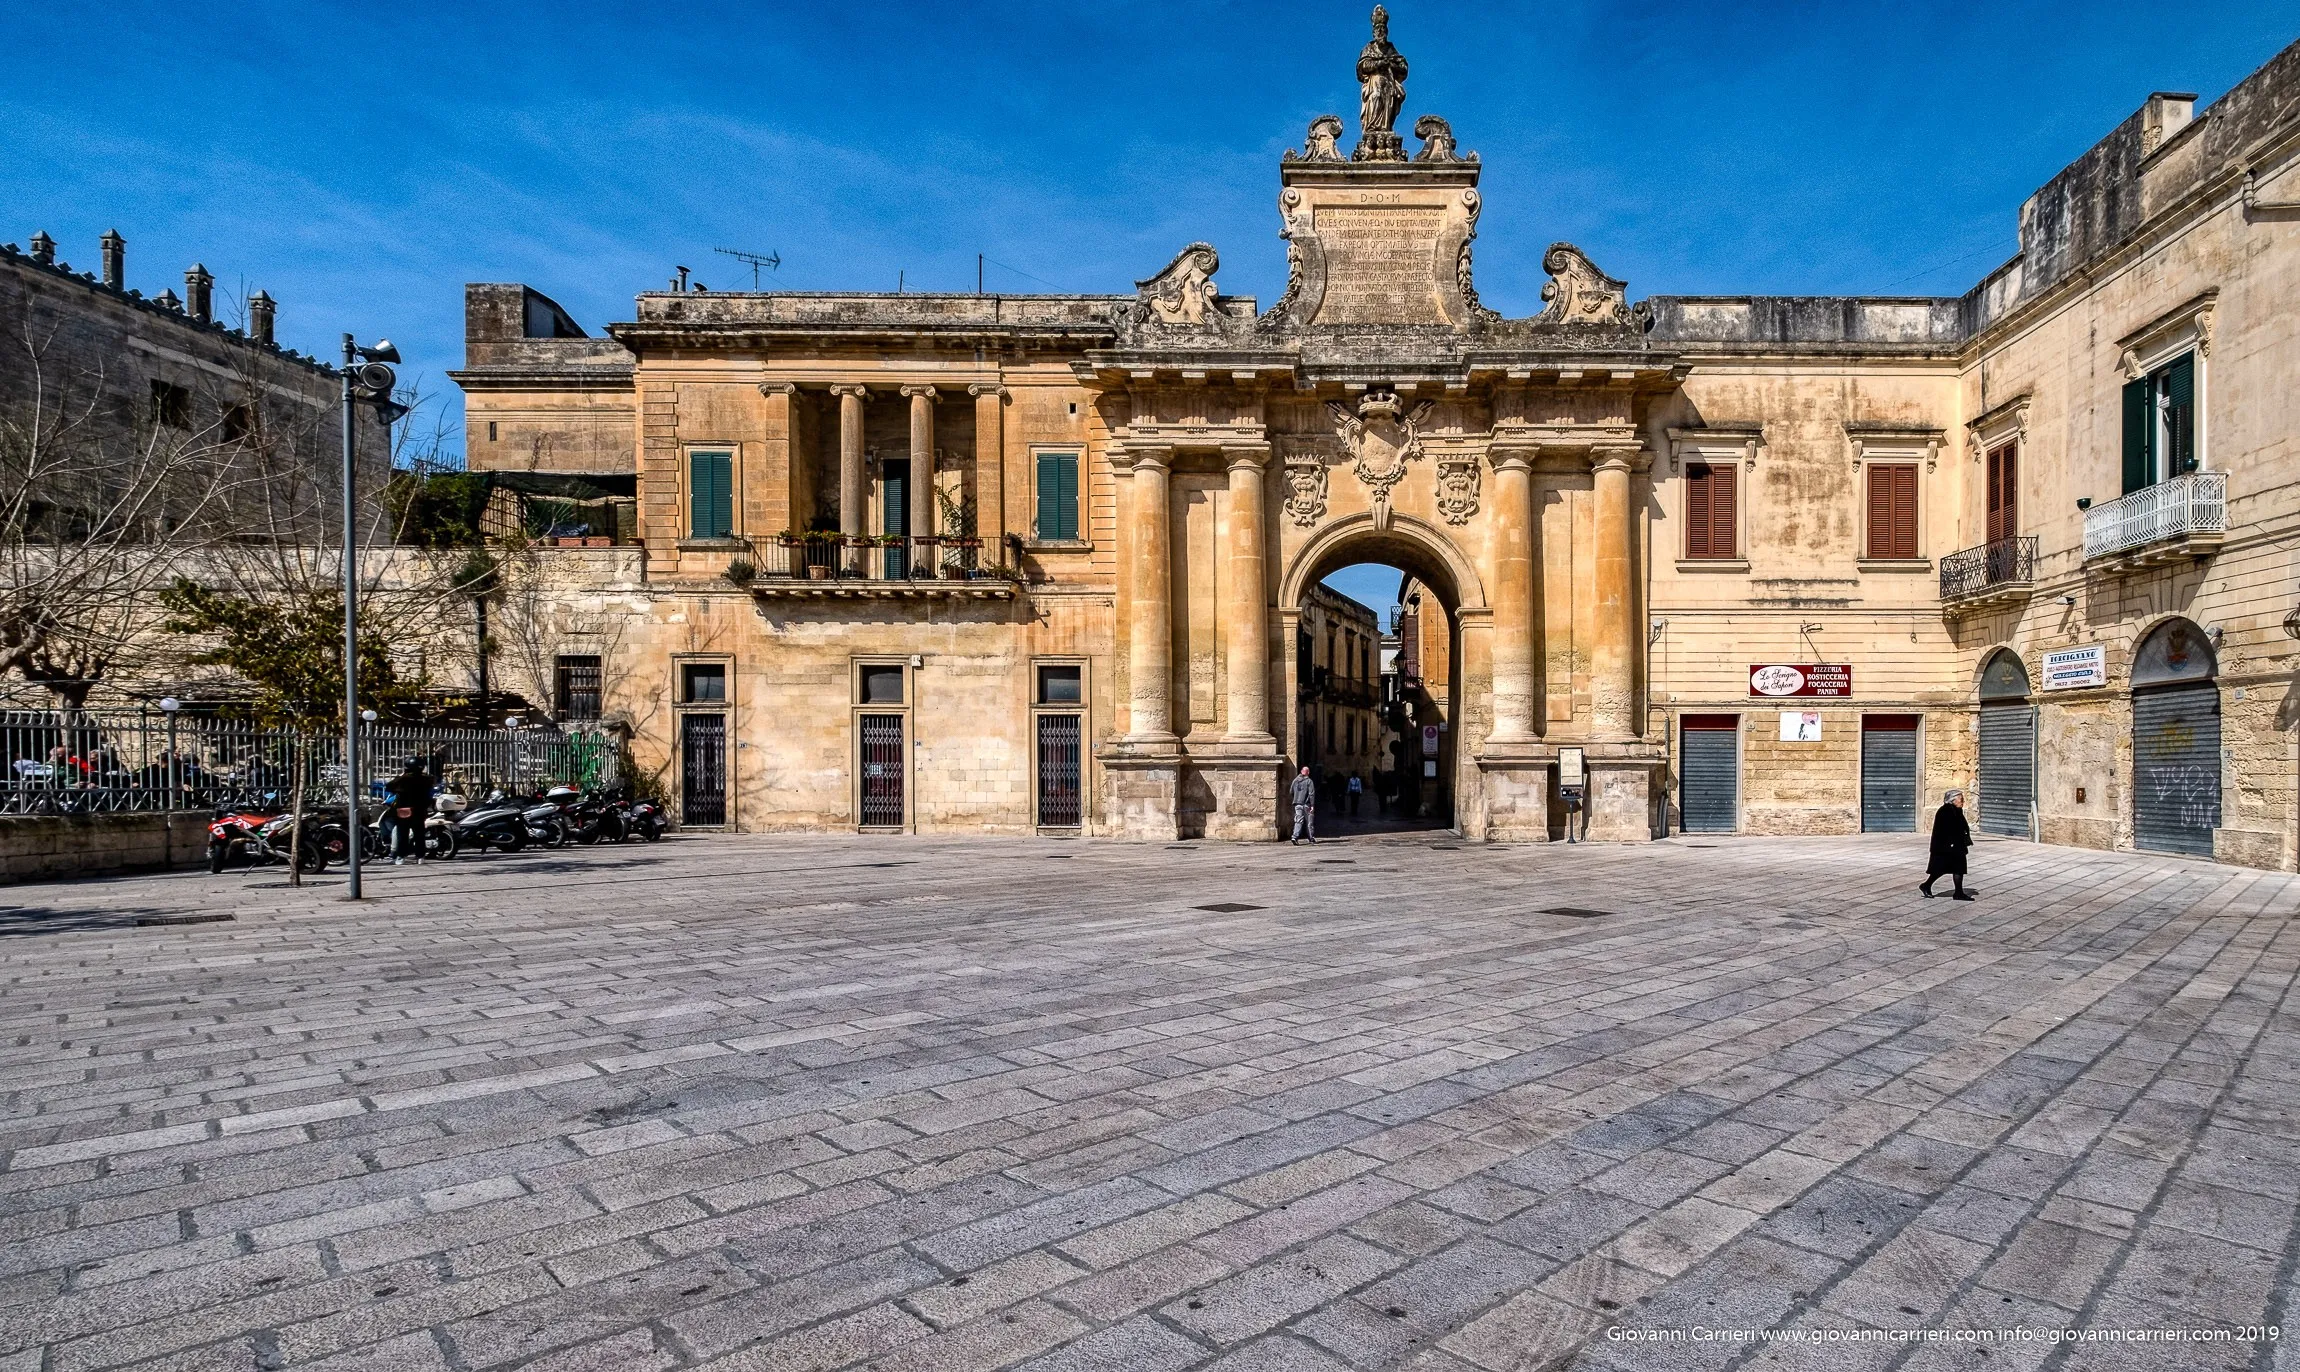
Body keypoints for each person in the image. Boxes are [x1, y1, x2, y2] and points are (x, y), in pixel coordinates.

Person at [1921, 790, 1974, 900]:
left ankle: (1958, 893)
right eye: (1960, 799)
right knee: (1940, 869)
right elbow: (1944, 830)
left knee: (1959, 869)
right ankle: (1926, 885)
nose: (1962, 801)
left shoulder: (1957, 810)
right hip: (1945, 847)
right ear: (1952, 800)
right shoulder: (1945, 811)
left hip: (1956, 845)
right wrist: (1950, 844)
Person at [384, 757, 434, 866]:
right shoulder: (426, 779)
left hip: (404, 810)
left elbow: (389, 786)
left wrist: (401, 775)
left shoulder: (404, 779)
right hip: (420, 810)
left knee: (402, 834)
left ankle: (401, 856)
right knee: (419, 834)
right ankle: (420, 856)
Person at [1289, 766, 1318, 844]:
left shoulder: (1295, 780)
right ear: (1308, 772)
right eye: (1308, 771)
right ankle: (1311, 837)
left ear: (1301, 771)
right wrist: (1312, 805)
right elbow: (1311, 794)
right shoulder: (1309, 781)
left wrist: (1296, 798)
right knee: (1309, 822)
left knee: (1298, 821)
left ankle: (1294, 837)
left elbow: (1291, 791)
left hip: (1297, 804)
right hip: (1306, 804)